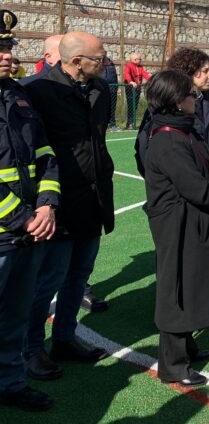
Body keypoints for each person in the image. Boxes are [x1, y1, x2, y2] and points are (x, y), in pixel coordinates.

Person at [23, 32, 114, 380]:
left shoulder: (99, 90)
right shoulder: (38, 92)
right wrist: (45, 202)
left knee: (79, 277)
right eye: (99, 58)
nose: (104, 63)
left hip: (93, 201)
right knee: (47, 282)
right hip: (57, 205)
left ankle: (64, 338)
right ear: (77, 61)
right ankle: (30, 350)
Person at [143, 70, 209, 388]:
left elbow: (203, 175)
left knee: (193, 284)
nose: (195, 99)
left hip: (191, 221)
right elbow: (194, 187)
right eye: (191, 95)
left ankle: (186, 346)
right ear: (175, 101)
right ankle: (172, 365)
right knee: (177, 290)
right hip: (178, 224)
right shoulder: (168, 139)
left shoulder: (181, 131)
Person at [0, 10, 59, 412]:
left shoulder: (17, 95)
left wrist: (47, 204)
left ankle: (9, 381)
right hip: (10, 230)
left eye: (8, 46)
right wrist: (25, 217)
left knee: (14, 318)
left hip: (27, 230)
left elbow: (46, 154)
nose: (7, 54)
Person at [135, 48, 209, 175]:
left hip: (208, 182)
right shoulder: (165, 107)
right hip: (180, 186)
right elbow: (143, 147)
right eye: (205, 71)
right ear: (188, 72)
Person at [123, 52, 151, 129]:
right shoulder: (128, 65)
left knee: (134, 106)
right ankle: (130, 123)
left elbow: (144, 74)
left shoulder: (140, 67)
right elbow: (127, 74)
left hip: (137, 89)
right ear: (135, 60)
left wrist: (152, 79)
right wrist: (130, 82)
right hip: (130, 89)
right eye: (140, 59)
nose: (141, 60)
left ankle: (131, 123)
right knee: (131, 106)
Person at [101, 56, 118, 130]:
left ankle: (112, 124)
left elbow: (115, 77)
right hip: (102, 89)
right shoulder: (99, 64)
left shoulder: (112, 64)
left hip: (112, 89)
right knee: (102, 107)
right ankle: (104, 124)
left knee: (112, 107)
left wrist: (116, 87)